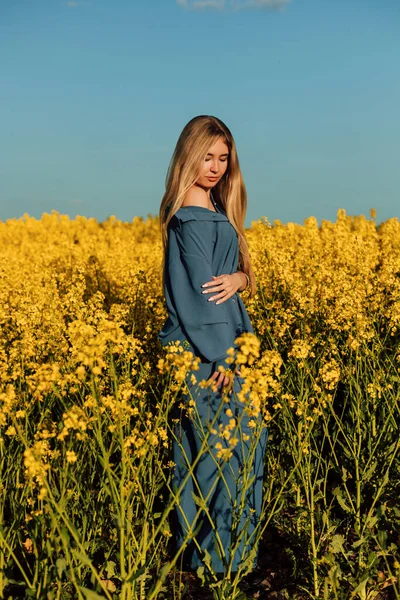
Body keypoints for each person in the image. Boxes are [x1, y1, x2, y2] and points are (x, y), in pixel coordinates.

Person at [158, 115, 268, 576]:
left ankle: (217, 560)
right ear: (189, 155)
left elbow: (235, 276)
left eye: (224, 158)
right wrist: (225, 354)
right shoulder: (189, 215)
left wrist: (243, 277)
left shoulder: (211, 209)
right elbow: (201, 294)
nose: (216, 166)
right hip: (209, 350)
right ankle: (216, 562)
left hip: (222, 343)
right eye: (207, 156)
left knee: (221, 451)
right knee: (221, 453)